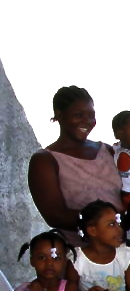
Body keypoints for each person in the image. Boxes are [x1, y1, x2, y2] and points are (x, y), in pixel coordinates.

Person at [28, 86, 121, 248]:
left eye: (91, 116)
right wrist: (104, 225)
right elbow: (55, 215)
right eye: (78, 115)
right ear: (59, 115)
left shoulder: (108, 150)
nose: (87, 121)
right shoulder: (45, 161)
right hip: (83, 255)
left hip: (124, 246)